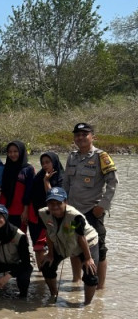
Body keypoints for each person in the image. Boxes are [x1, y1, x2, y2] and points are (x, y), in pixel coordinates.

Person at [64, 122, 117, 290]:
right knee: (74, 246)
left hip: (92, 212)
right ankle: (76, 281)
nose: (80, 138)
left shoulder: (101, 156)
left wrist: (102, 206)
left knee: (99, 248)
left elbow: (113, 183)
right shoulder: (72, 157)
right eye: (77, 135)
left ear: (92, 137)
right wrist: (64, 203)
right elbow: (66, 182)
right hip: (73, 212)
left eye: (84, 134)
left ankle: (100, 288)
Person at [38, 187, 100, 305]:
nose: (55, 207)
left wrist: (87, 258)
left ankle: (86, 304)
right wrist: (50, 254)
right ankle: (54, 295)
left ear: (65, 202)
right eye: (51, 204)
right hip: (64, 240)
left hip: (87, 241)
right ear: (47, 204)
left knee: (90, 273)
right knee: (47, 266)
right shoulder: (43, 214)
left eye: (58, 203)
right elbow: (48, 232)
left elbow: (80, 237)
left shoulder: (75, 216)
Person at [0, 204, 33, 298]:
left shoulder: (19, 235)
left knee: (24, 277)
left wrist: (7, 276)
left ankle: (22, 298)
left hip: (18, 263)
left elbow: (26, 262)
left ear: (6, 217)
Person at [27, 152, 64, 267]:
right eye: (43, 163)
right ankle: (41, 277)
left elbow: (53, 198)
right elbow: (31, 196)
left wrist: (46, 182)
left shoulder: (62, 178)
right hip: (36, 216)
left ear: (54, 162)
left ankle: (49, 274)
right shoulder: (39, 176)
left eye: (48, 162)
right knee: (38, 247)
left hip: (52, 216)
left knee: (52, 247)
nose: (45, 165)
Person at [0, 141, 35, 229]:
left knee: (19, 238)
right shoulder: (5, 167)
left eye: (15, 151)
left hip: (20, 210)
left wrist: (25, 211)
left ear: (21, 152)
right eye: (10, 152)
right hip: (5, 208)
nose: (12, 154)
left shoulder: (28, 169)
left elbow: (29, 192)